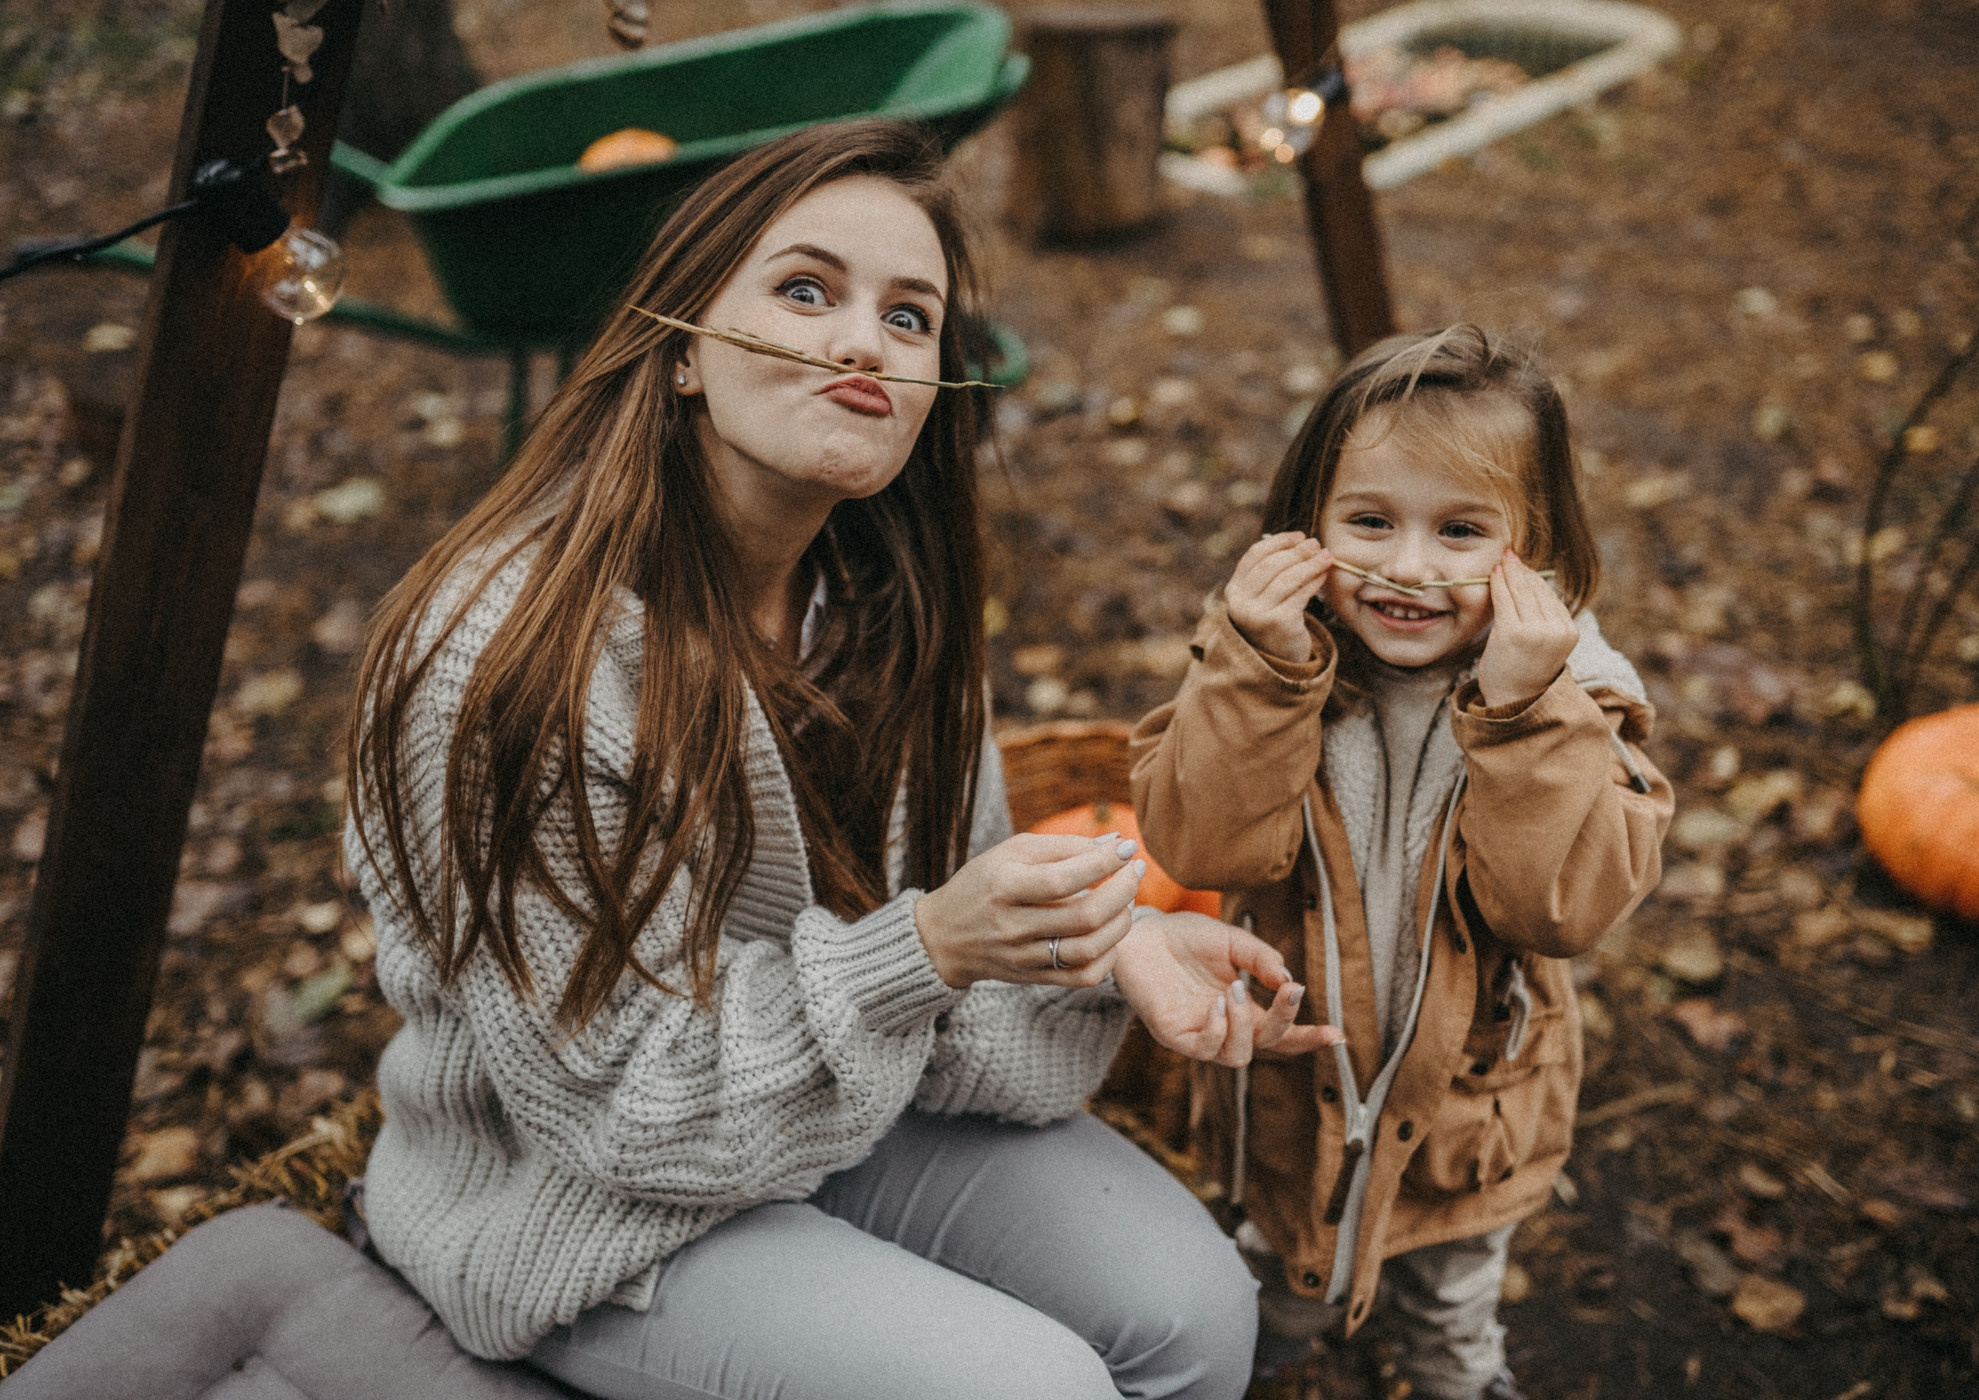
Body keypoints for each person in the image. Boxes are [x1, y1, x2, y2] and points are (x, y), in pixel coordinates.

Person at [344, 120, 1335, 1400]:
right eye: (806, 291)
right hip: (577, 1189)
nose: (866, 341)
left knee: (1197, 1313)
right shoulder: (508, 662)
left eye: (911, 317)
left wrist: (1105, 948)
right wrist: (925, 948)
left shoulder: (889, 608)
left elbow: (939, 973)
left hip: (831, 1096)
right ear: (684, 346)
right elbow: (610, 1108)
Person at [1130, 327, 1674, 1400]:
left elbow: (1557, 905)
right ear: (1308, 523)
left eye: (1462, 530)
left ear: (1535, 546)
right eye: (1369, 520)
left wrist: (1524, 711)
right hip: (1294, 1069)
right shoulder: (1267, 657)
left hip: (1470, 1099)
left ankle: (1453, 1374)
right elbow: (1201, 844)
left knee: (1451, 1287)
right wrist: (1262, 674)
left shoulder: (1577, 702)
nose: (1408, 567)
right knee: (1279, 1254)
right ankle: (1271, 1349)